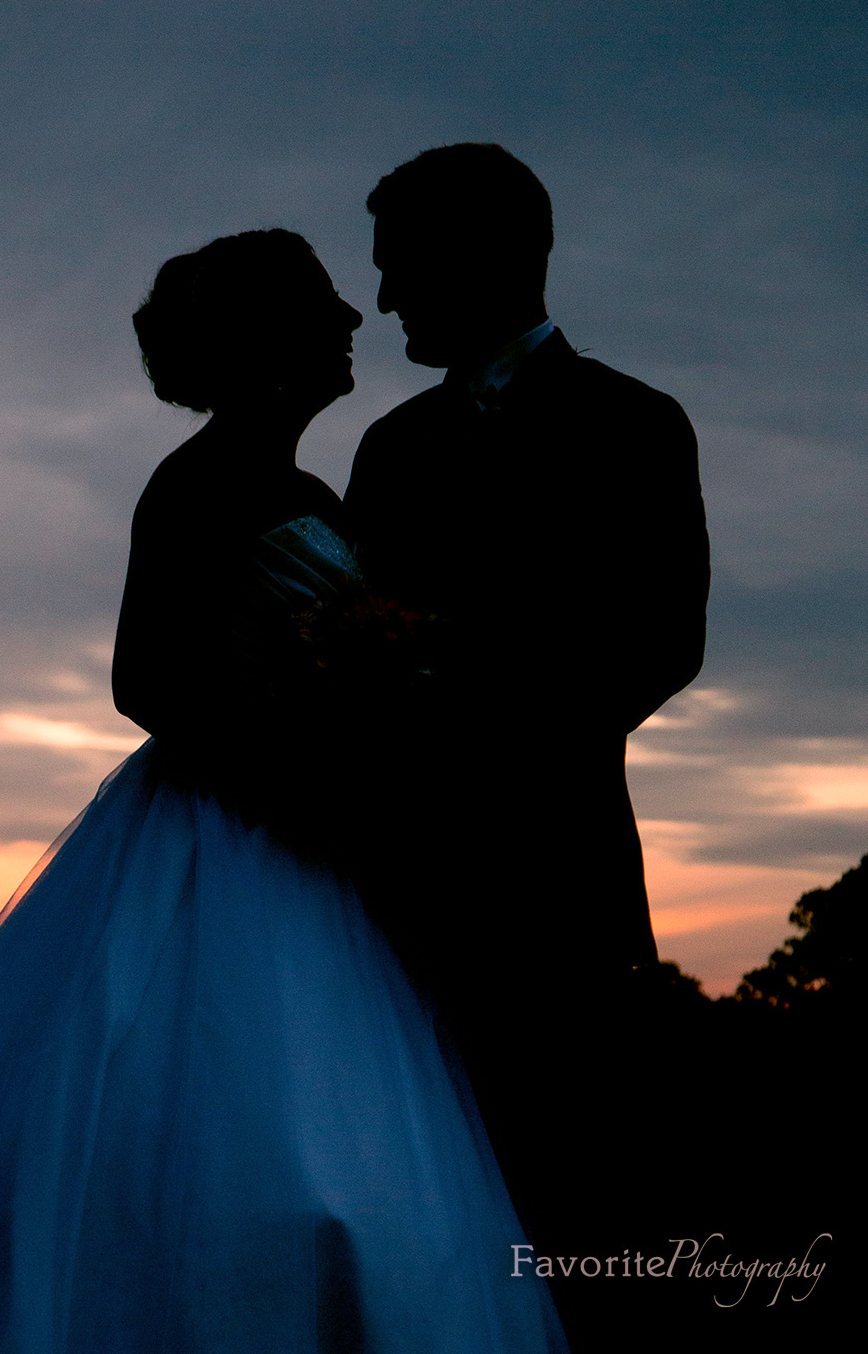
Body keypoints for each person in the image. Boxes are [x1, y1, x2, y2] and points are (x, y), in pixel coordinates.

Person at [0, 228, 568, 1352]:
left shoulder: (304, 487)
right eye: (325, 303)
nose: (351, 321)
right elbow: (145, 679)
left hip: (314, 837)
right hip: (225, 830)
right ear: (271, 336)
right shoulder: (200, 484)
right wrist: (288, 769)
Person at [344, 143, 711, 1308]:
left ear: (495, 254)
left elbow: (659, 642)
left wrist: (457, 691)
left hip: (560, 890)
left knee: (575, 1221)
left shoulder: (635, 425)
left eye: (403, 265)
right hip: (391, 904)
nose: (389, 297)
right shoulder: (389, 450)